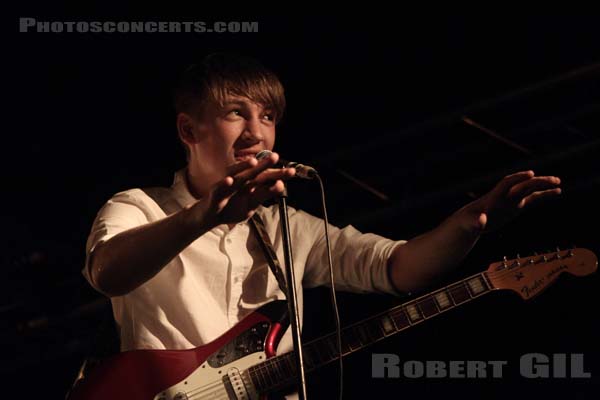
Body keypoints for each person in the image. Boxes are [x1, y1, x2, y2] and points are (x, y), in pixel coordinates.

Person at [82, 52, 561, 393]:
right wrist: (204, 216)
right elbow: (108, 273)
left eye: (267, 116)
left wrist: (467, 225)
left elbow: (397, 268)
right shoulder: (139, 206)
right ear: (189, 130)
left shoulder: (289, 228)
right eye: (236, 113)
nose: (256, 132)